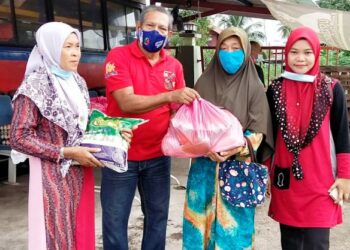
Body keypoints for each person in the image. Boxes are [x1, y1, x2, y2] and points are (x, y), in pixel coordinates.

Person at [9, 22, 132, 250]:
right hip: (51, 177)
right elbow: (18, 136)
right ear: (51, 48)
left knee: (80, 230)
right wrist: (64, 152)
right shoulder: (34, 86)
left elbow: (81, 128)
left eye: (77, 46)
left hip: (80, 170)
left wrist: (114, 134)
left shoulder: (77, 81)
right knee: (56, 233)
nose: (76, 53)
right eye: (68, 47)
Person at [101, 5, 199, 250]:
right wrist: (169, 96)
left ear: (169, 34)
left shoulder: (174, 66)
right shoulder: (119, 56)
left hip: (158, 156)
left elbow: (177, 109)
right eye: (151, 26)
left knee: (157, 218)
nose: (156, 32)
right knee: (115, 220)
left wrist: (197, 125)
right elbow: (127, 102)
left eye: (162, 28)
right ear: (139, 28)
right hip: (120, 155)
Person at [183, 27, 274, 249]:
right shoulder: (203, 82)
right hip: (203, 170)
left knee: (233, 232)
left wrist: (232, 149)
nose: (229, 53)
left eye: (235, 48)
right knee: (198, 229)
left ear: (245, 51)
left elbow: (259, 132)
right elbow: (190, 124)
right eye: (223, 48)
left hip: (237, 173)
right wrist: (202, 145)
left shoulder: (254, 87)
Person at [266, 26, 350, 250]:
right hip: (287, 181)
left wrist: (345, 176)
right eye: (294, 52)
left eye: (307, 52)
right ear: (286, 54)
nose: (300, 58)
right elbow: (269, 137)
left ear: (316, 53)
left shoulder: (332, 88)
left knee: (317, 244)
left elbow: (343, 135)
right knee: (290, 242)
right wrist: (265, 171)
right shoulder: (275, 89)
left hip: (321, 183)